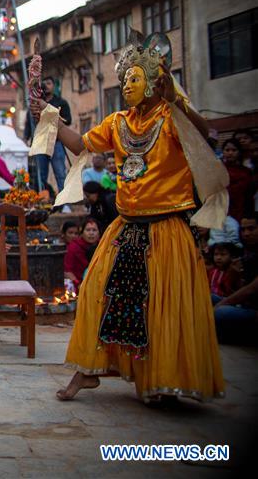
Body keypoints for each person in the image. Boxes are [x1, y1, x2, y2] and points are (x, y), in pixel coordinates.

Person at [31, 34, 225, 403]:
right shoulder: (118, 122)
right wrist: (49, 117)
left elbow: (205, 138)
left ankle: (161, 379)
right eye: (123, 81)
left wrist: (177, 104)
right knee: (95, 295)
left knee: (162, 307)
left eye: (133, 79)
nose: (126, 87)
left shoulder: (171, 119)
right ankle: (89, 371)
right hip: (125, 227)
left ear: (155, 82)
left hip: (166, 228)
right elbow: (81, 145)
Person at [213, 213, 258, 345]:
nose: (246, 233)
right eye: (243, 230)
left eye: (251, 229)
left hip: (254, 311)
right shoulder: (247, 253)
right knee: (205, 297)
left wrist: (221, 304)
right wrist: (234, 275)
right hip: (245, 305)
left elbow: (251, 289)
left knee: (220, 313)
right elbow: (235, 290)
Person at [25, 76, 71, 192]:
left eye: (49, 83)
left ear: (54, 86)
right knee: (40, 174)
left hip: (56, 141)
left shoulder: (61, 102)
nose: (46, 86)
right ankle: (42, 199)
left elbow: (68, 120)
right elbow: (29, 121)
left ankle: (64, 202)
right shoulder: (36, 103)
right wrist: (26, 138)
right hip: (40, 142)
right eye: (44, 84)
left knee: (60, 172)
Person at [63, 218, 101, 292]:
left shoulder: (103, 246)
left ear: (99, 233)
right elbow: (67, 272)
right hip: (77, 284)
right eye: (88, 230)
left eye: (94, 230)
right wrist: (79, 284)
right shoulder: (73, 247)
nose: (91, 233)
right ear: (82, 233)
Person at [221, 139, 252, 222]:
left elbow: (249, 194)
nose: (230, 153)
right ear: (223, 152)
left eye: (234, 150)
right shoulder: (218, 170)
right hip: (221, 209)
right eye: (227, 150)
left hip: (241, 209)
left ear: (239, 152)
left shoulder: (246, 172)